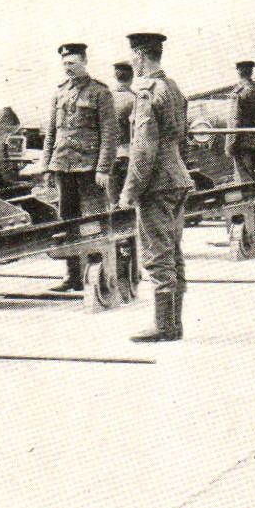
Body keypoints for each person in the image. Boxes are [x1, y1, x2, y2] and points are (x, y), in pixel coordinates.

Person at [118, 32, 191, 342]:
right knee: (173, 251)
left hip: (156, 184)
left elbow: (143, 148)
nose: (133, 62)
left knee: (157, 254)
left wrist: (129, 190)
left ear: (141, 56)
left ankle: (164, 327)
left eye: (134, 56)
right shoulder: (172, 87)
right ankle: (173, 324)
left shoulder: (147, 92)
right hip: (176, 178)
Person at [40, 43, 117, 292]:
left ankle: (101, 273)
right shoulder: (59, 93)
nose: (68, 68)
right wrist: (46, 166)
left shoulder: (100, 93)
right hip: (63, 166)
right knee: (67, 222)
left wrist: (103, 168)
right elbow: (51, 133)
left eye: (72, 63)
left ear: (84, 62)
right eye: (64, 64)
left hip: (89, 168)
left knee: (94, 221)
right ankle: (73, 276)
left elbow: (109, 134)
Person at [110, 60, 136, 199]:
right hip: (129, 154)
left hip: (110, 156)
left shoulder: (106, 99)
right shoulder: (134, 99)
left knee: (113, 200)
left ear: (115, 76)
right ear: (132, 76)